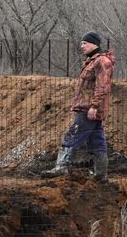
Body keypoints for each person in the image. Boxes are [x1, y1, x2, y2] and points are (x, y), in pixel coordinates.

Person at [45, 31, 116, 181]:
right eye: (81, 43)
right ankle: (101, 175)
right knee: (97, 141)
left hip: (88, 109)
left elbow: (103, 86)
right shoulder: (93, 60)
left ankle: (61, 166)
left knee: (73, 135)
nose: (81, 46)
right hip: (88, 108)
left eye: (85, 43)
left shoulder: (102, 61)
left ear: (94, 44)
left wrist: (94, 106)